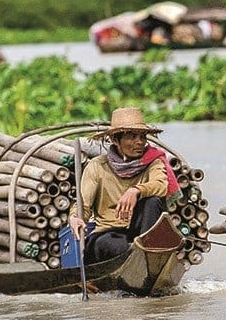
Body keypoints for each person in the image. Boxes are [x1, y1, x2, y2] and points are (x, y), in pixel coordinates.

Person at [68, 107, 178, 264]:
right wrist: (75, 218)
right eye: (131, 136)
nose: (139, 142)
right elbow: (83, 206)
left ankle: (146, 256)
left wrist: (136, 190)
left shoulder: (154, 162)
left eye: (142, 136)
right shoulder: (97, 166)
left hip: (141, 233)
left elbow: (161, 185)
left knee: (153, 201)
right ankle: (138, 261)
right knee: (114, 246)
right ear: (115, 139)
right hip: (109, 234)